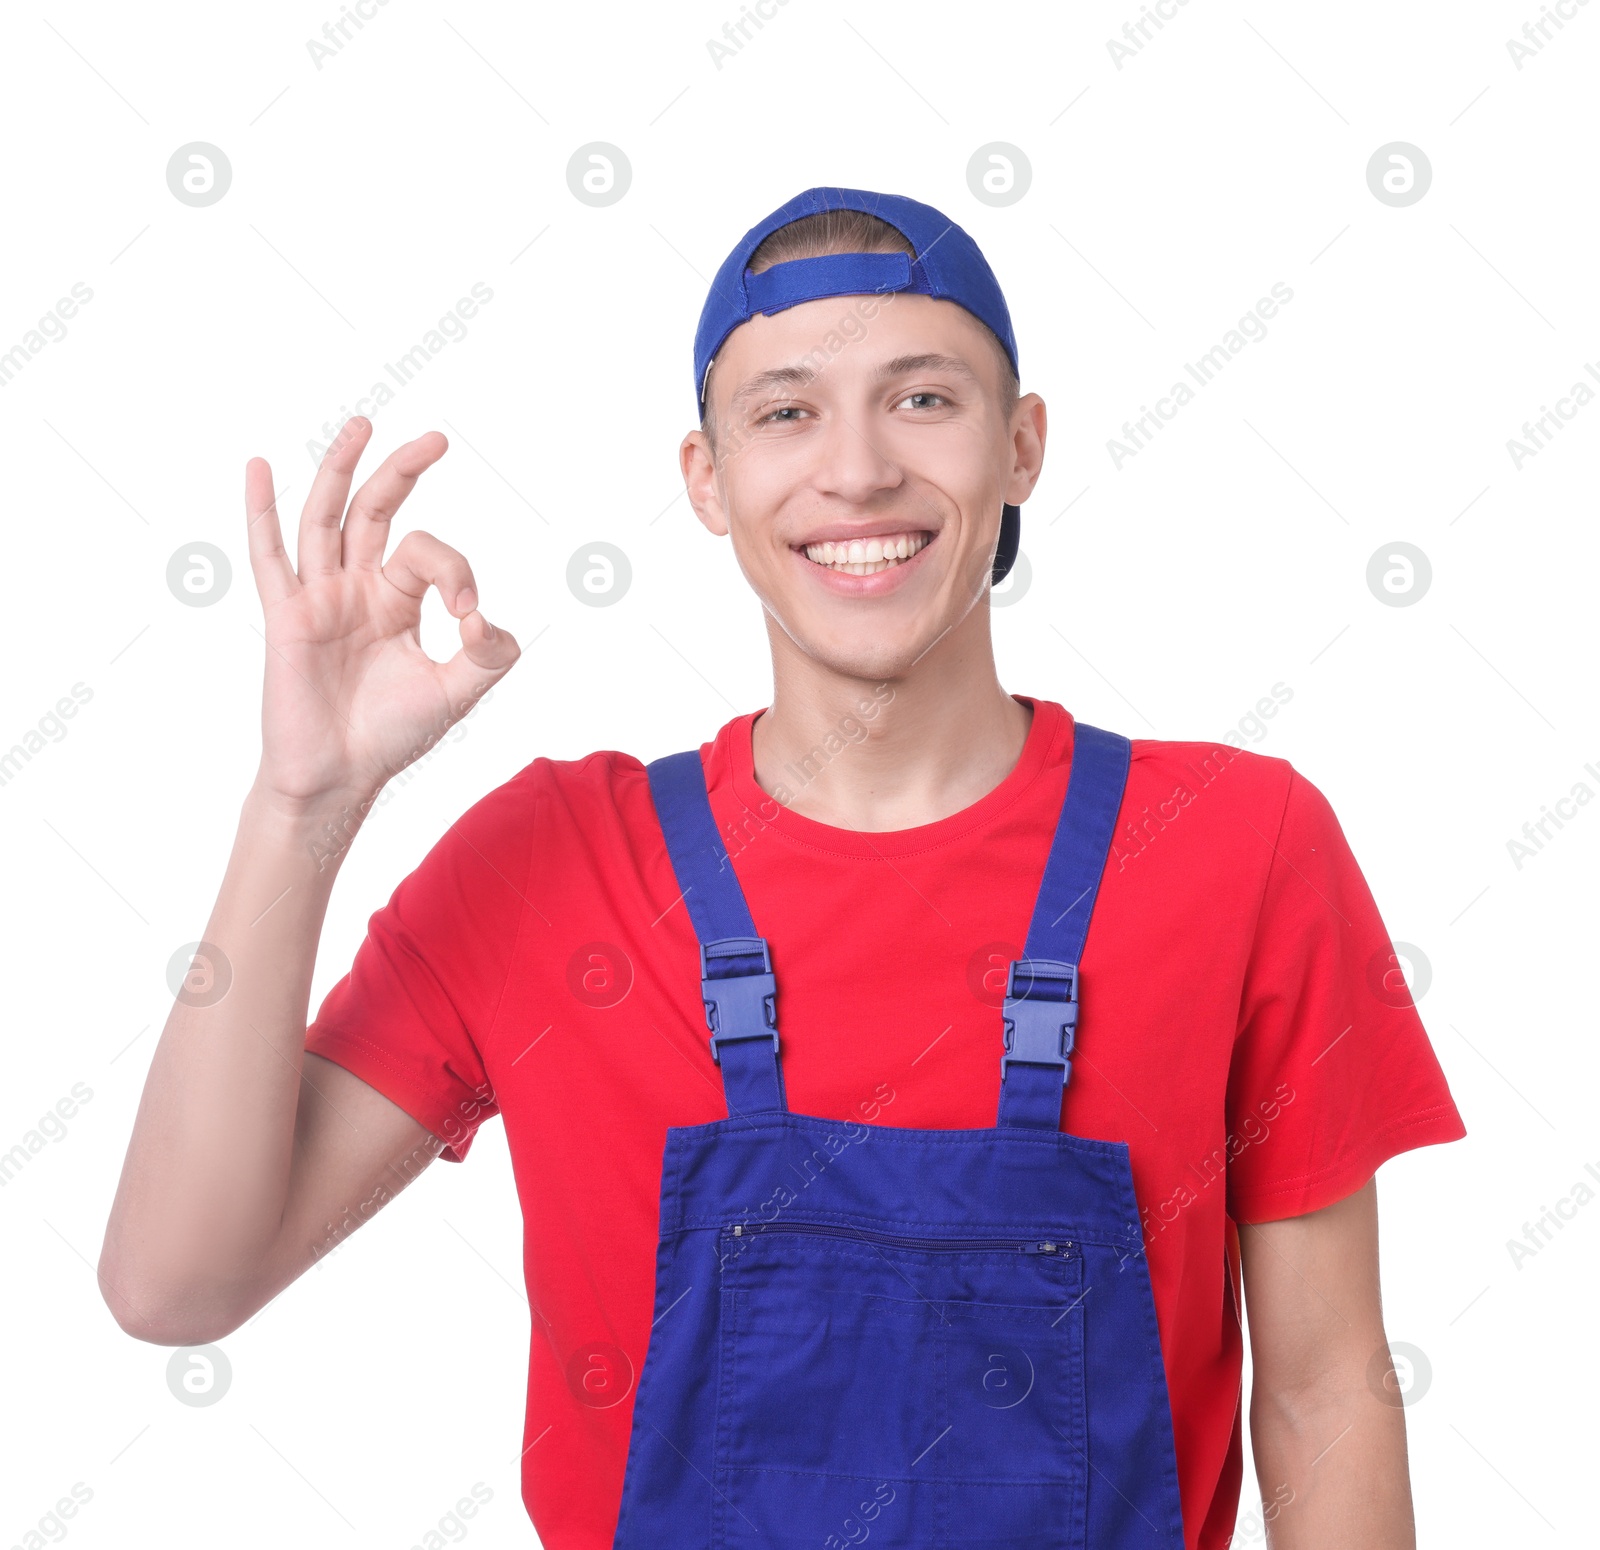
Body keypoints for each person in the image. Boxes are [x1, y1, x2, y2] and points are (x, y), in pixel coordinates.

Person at [99, 186, 1466, 1550]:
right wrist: (303, 803)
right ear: (708, 476)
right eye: (787, 411)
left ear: (1023, 444)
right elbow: (174, 1284)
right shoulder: (551, 868)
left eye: (923, 398)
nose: (857, 470)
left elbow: (1319, 1389)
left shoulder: (1238, 847)